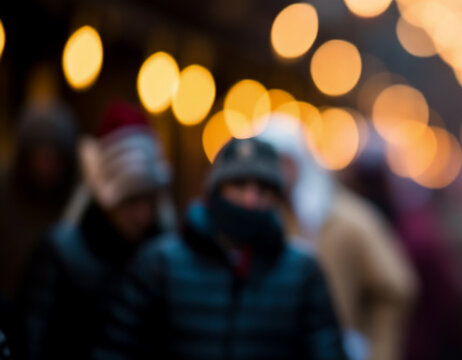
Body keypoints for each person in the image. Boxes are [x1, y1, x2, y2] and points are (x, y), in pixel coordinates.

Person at [94, 138, 346, 360]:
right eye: (238, 184)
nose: (251, 199)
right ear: (215, 191)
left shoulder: (301, 272)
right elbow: (119, 348)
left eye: (264, 188)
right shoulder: (160, 264)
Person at [20, 101, 173, 360]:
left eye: (150, 199)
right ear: (106, 199)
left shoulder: (163, 257)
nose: (142, 214)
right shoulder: (62, 252)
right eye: (130, 201)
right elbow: (31, 340)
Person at [257, 116, 418, 360]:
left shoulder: (346, 220)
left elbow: (395, 287)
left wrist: (375, 351)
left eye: (283, 162)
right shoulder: (260, 218)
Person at [0, 99, 79, 299]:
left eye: (53, 158)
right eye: (40, 157)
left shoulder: (77, 204)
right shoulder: (5, 198)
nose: (46, 167)